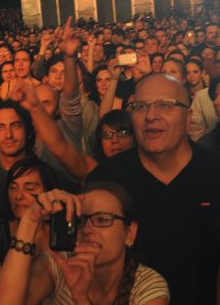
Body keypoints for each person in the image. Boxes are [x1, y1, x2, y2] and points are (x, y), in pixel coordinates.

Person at [87, 73, 220, 304]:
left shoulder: (214, 171)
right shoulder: (107, 179)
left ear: (188, 118)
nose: (151, 116)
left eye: (165, 106)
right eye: (140, 107)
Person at [0, 182, 169, 305]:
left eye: (102, 219)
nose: (87, 229)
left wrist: (81, 299)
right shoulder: (58, 265)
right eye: (80, 220)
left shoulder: (147, 285)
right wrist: (30, 221)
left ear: (130, 233)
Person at [0, 158, 57, 263]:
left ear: (48, 191)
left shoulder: (60, 230)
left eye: (29, 189)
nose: (19, 196)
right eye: (13, 188)